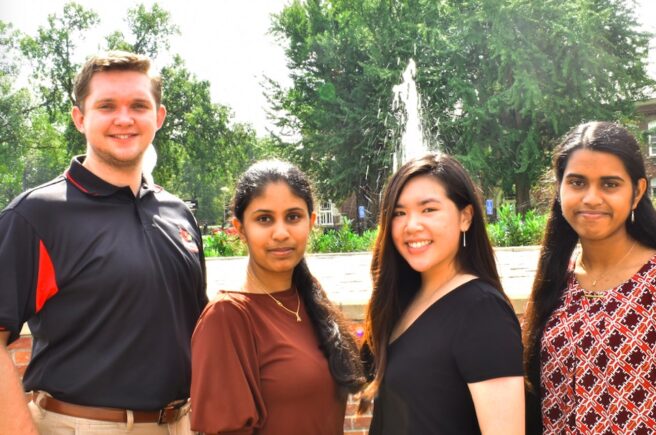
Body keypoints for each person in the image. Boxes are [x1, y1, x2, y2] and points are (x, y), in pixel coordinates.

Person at [0, 51, 208, 434]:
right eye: (107, 106)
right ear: (80, 118)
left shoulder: (179, 214)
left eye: (139, 106)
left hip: (181, 424)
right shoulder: (35, 215)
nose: (124, 118)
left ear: (158, 118)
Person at [523, 121, 656, 433]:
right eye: (577, 182)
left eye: (610, 184)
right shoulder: (558, 281)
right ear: (559, 188)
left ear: (637, 192)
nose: (591, 198)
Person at [190, 160, 365, 434]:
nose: (281, 233)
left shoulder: (310, 297)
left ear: (312, 222)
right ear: (240, 228)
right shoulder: (228, 317)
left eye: (293, 216)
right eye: (264, 219)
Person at [361, 153, 525, 434]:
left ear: (465, 216)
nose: (411, 225)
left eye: (428, 210)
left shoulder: (482, 311)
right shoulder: (404, 300)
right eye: (399, 213)